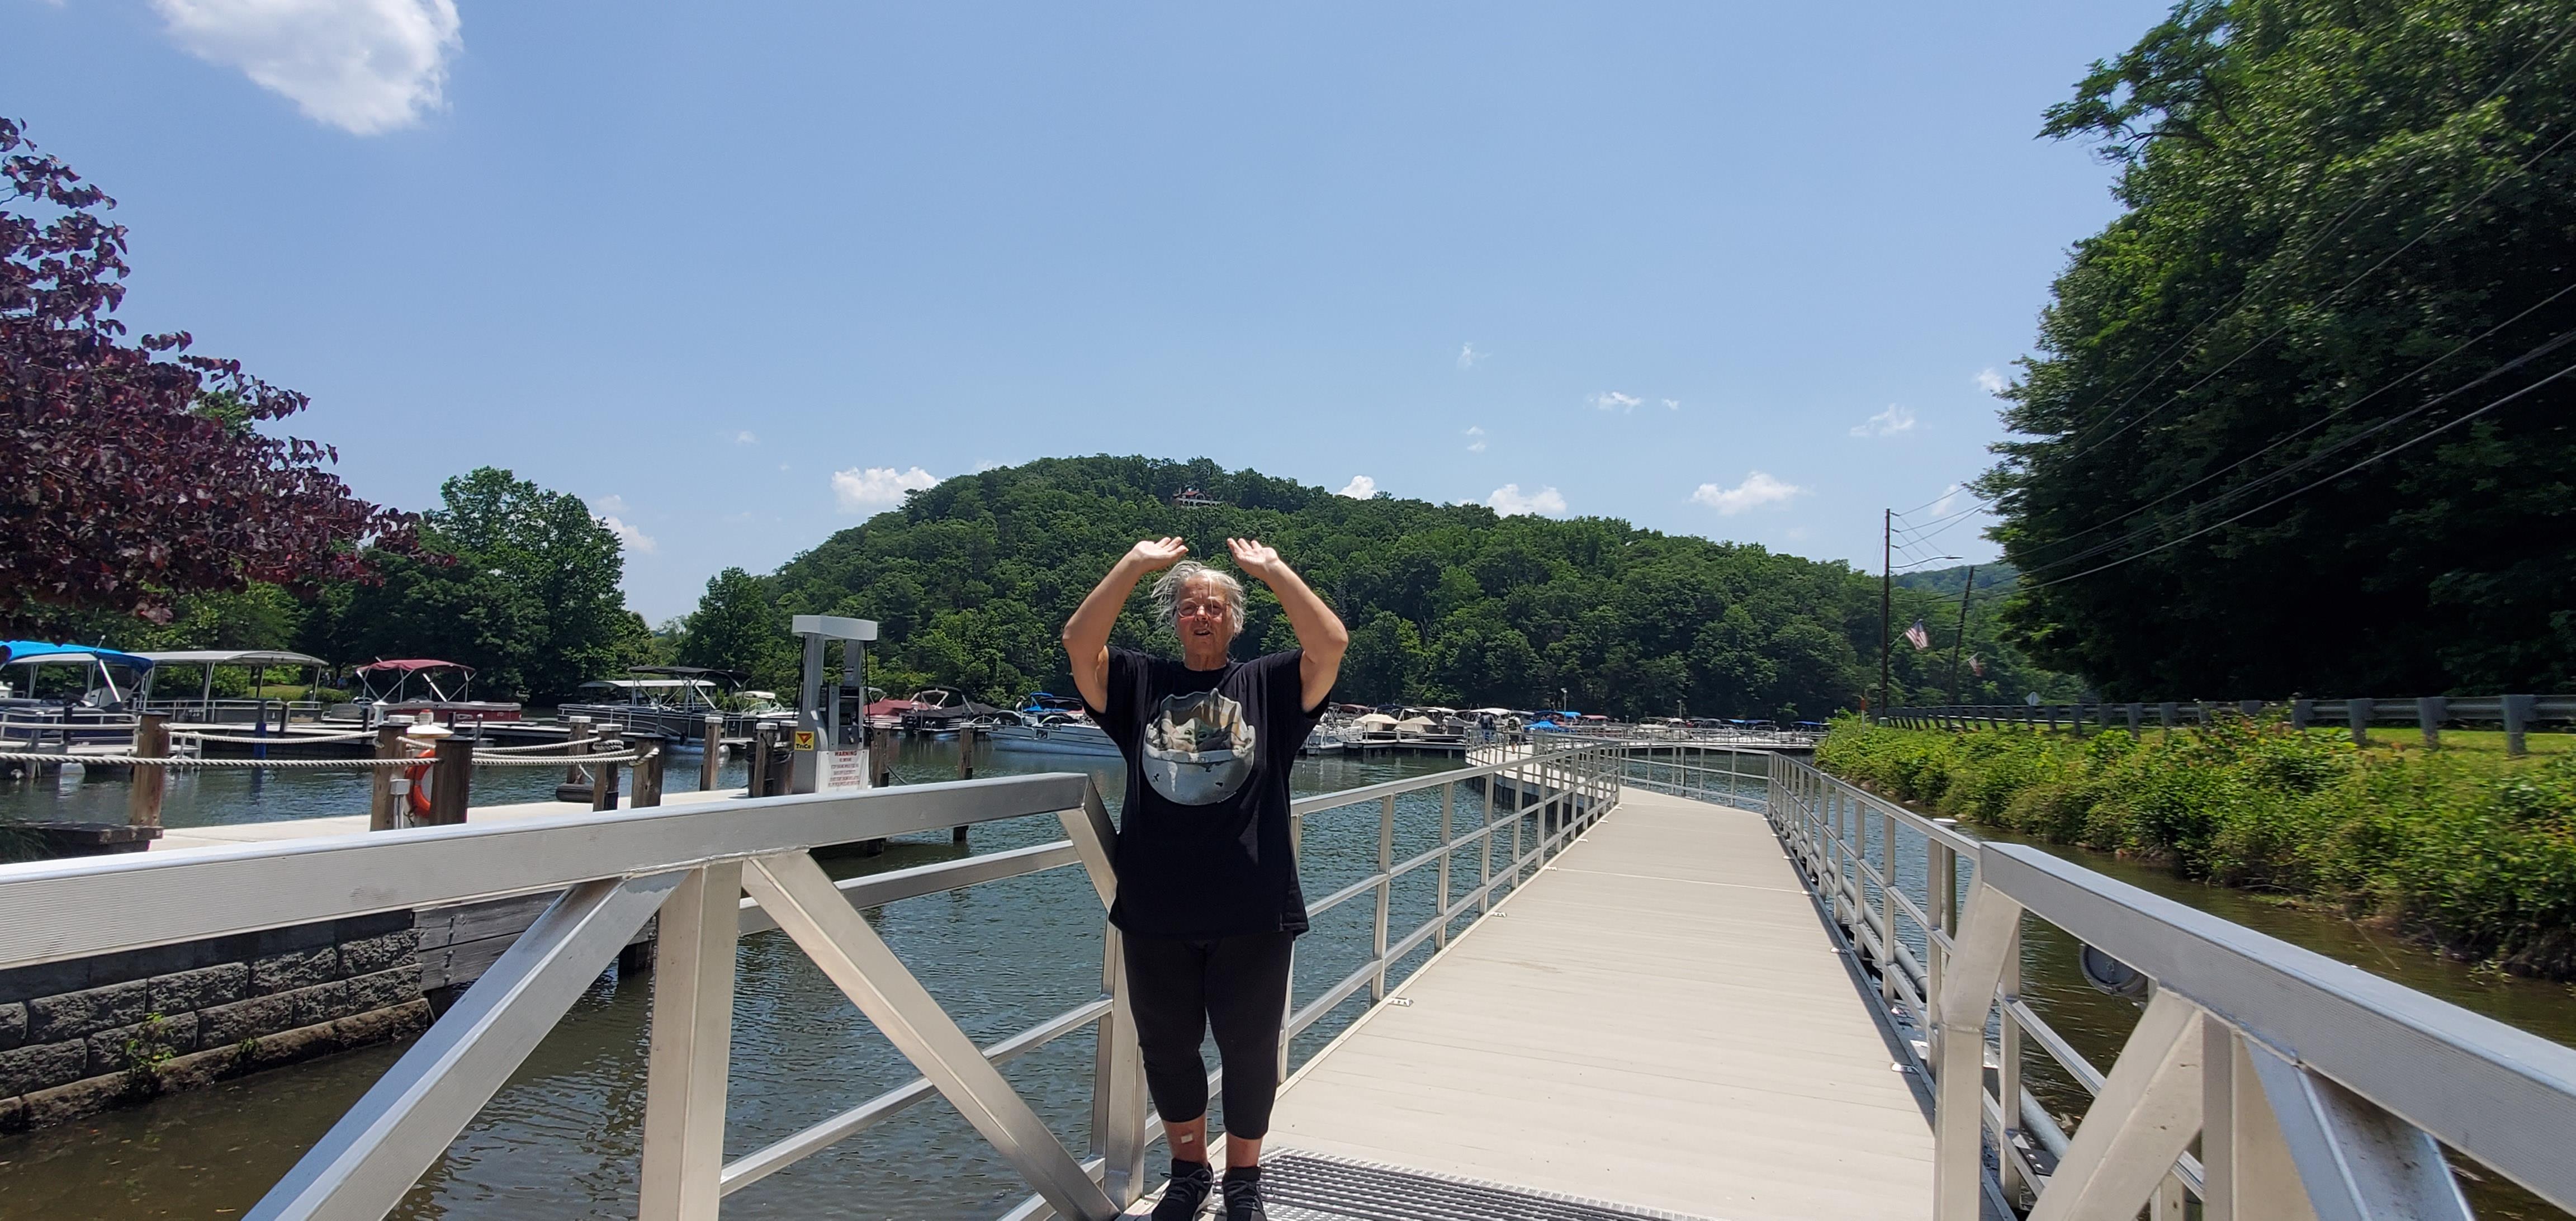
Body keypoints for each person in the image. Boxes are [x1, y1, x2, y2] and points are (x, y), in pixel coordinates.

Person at [1063, 536, 1348, 1221]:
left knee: (1249, 1049)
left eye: (1216, 607)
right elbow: (1079, 642)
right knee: (1166, 1047)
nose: (1202, 616)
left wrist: (1275, 570)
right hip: (1157, 906)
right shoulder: (1139, 683)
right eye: (1191, 606)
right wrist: (1133, 564)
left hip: (1253, 905)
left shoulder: (1270, 685)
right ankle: (1189, 1168)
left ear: (1234, 620)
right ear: (1175, 619)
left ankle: (1244, 1179)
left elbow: (1330, 645)